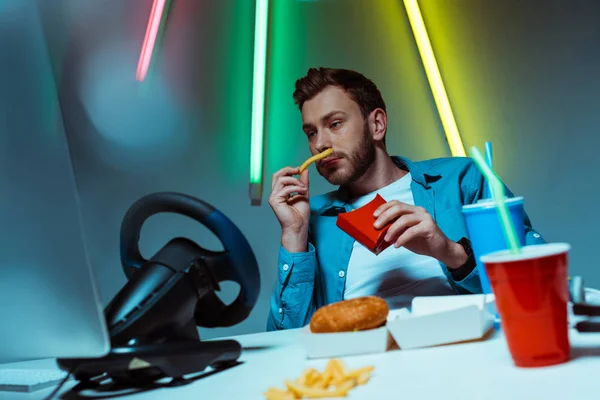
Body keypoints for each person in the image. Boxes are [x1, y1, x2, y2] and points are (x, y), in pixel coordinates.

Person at [266, 67, 544, 331]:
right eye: (311, 132)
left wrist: (450, 252)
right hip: (363, 368)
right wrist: (294, 234)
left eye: (335, 124)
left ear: (376, 124)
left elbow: (537, 287)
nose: (320, 144)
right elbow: (285, 342)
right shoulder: (311, 218)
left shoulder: (463, 179)